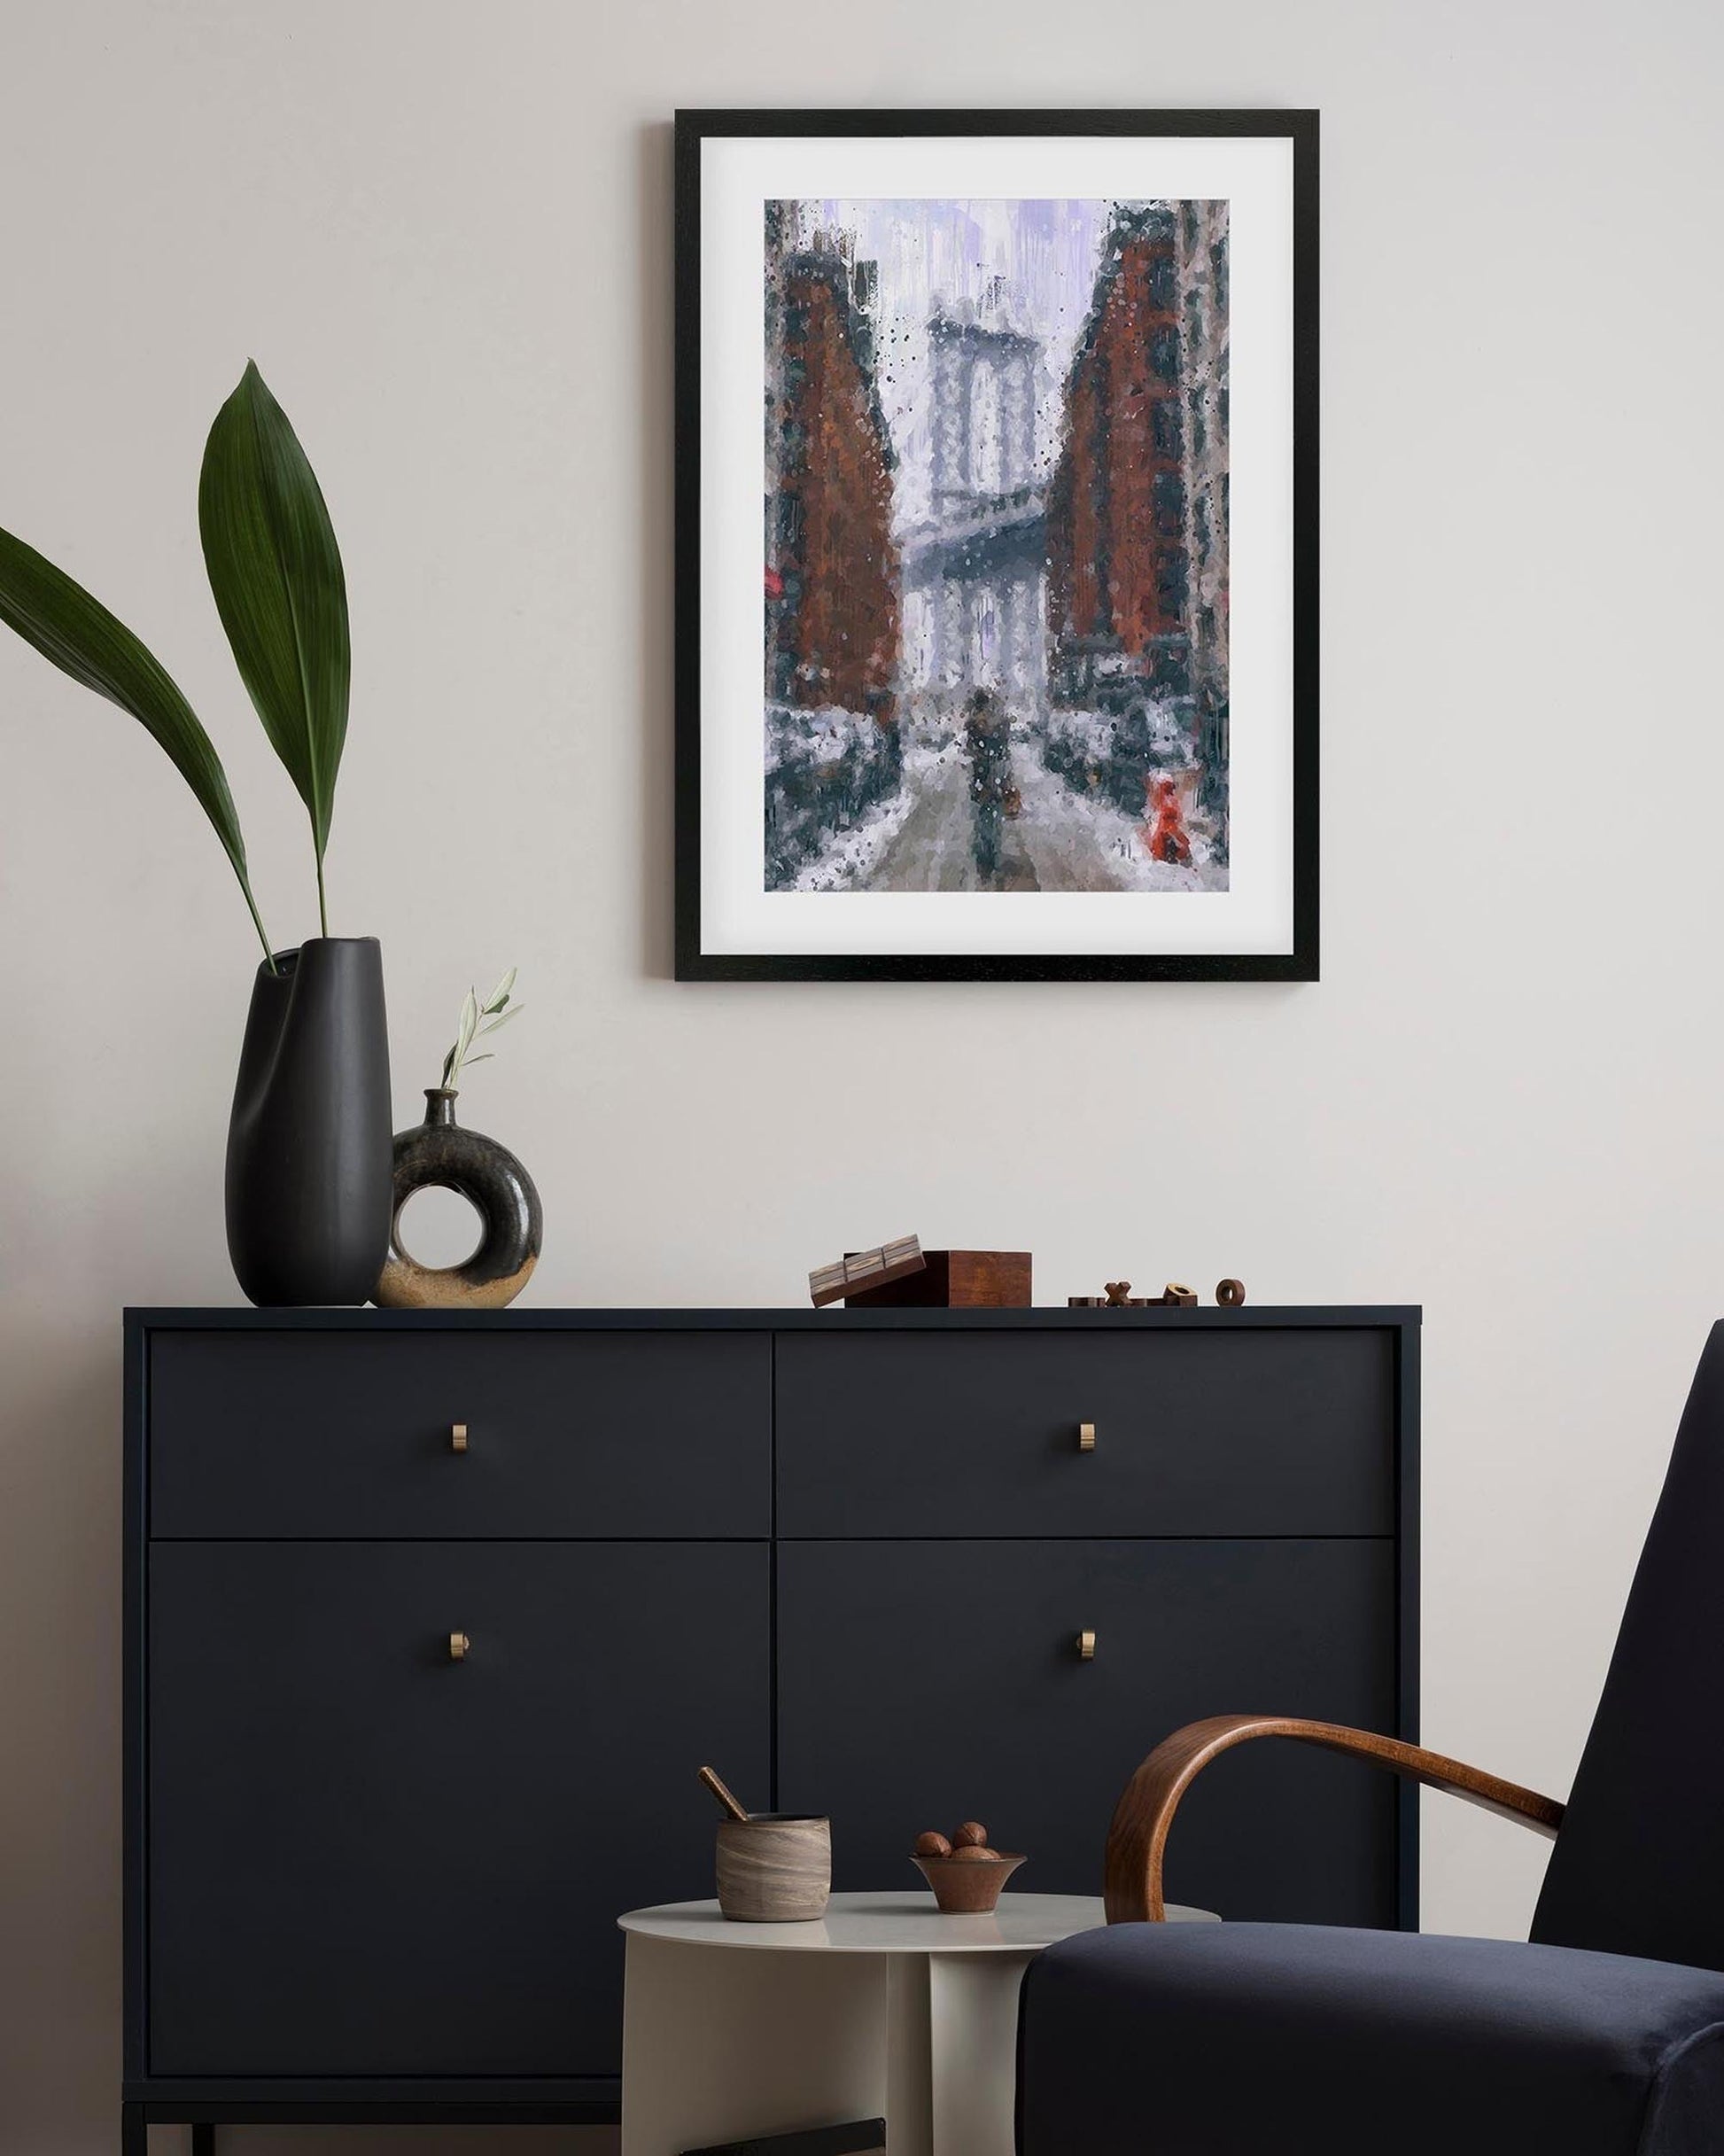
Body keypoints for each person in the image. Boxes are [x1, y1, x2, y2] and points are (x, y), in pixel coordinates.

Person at [963, 689, 1012, 884]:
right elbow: (1002, 753)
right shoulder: (987, 727)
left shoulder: (980, 727)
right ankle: (988, 857)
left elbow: (975, 752)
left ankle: (987, 858)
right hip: (989, 778)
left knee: (987, 819)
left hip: (986, 778)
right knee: (989, 819)